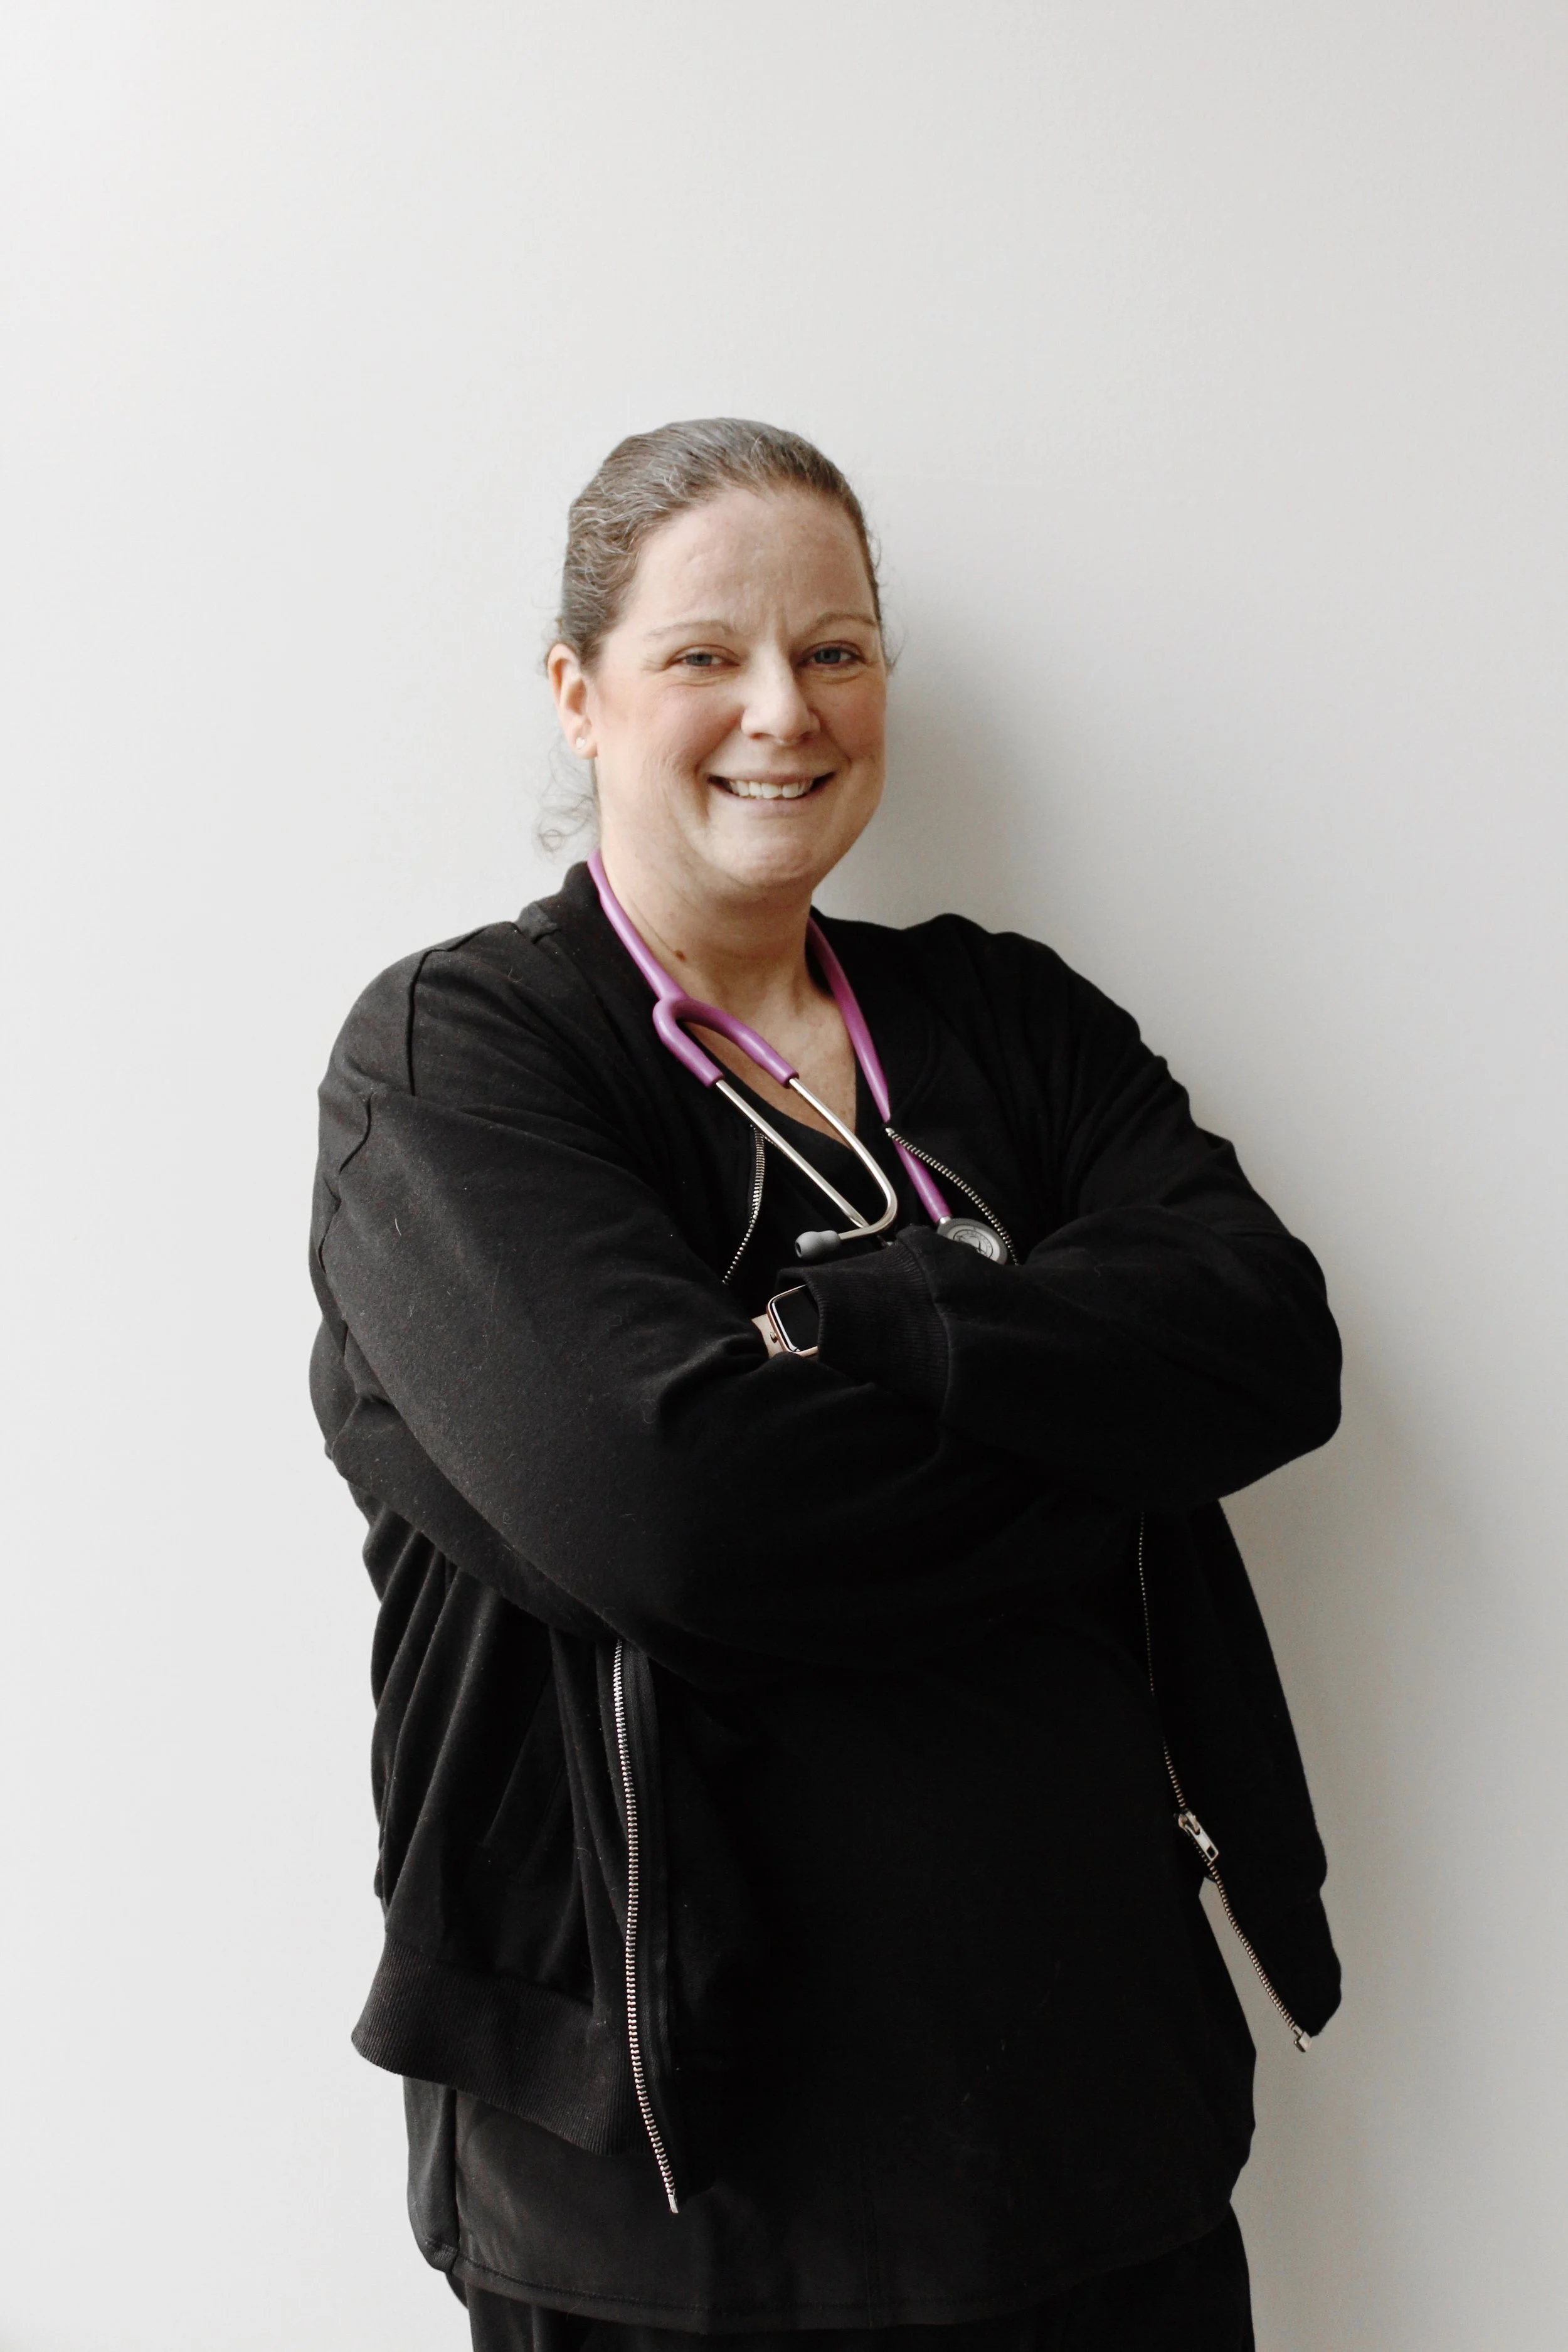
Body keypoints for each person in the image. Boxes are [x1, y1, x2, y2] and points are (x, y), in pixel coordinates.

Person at [309, 419, 1342, 2352]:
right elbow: (677, 1513)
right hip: (671, 2205)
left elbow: (1265, 1345)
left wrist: (872, 1329)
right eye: (705, 652)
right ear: (578, 691)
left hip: (1095, 2134)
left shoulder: (1006, 1020)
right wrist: (1083, 1423)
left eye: (837, 649)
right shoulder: (456, 1064)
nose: (782, 710)